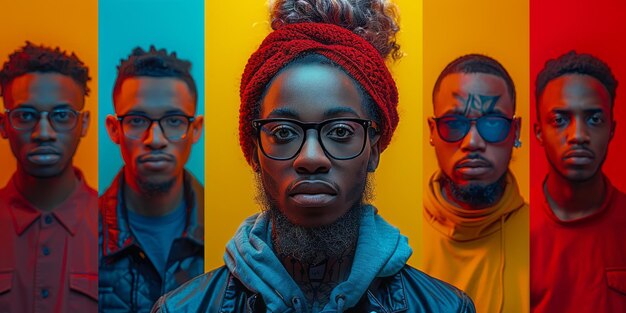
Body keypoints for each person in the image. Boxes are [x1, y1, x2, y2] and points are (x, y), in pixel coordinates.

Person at [152, 0, 475, 312]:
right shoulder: (183, 308)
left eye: (340, 132)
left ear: (374, 149)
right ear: (253, 150)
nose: (310, 157)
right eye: (283, 132)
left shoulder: (444, 307)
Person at [98, 46, 205, 312]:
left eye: (174, 120)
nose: (155, 139)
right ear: (114, 129)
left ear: (195, 129)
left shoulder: (234, 235)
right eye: (136, 120)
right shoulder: (79, 234)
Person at [422, 54, 528, 313]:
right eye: (454, 123)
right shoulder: (391, 240)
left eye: (492, 123)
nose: (472, 142)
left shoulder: (548, 244)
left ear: (516, 131)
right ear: (432, 132)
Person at [0, 42, 97, 312]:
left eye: (62, 115)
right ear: (3, 125)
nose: (44, 132)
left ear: (84, 123)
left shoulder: (117, 229)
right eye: (26, 115)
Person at [531, 51, 626, 312]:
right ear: (539, 132)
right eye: (560, 120)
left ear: (612, 130)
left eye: (594, 119)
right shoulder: (516, 230)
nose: (578, 135)